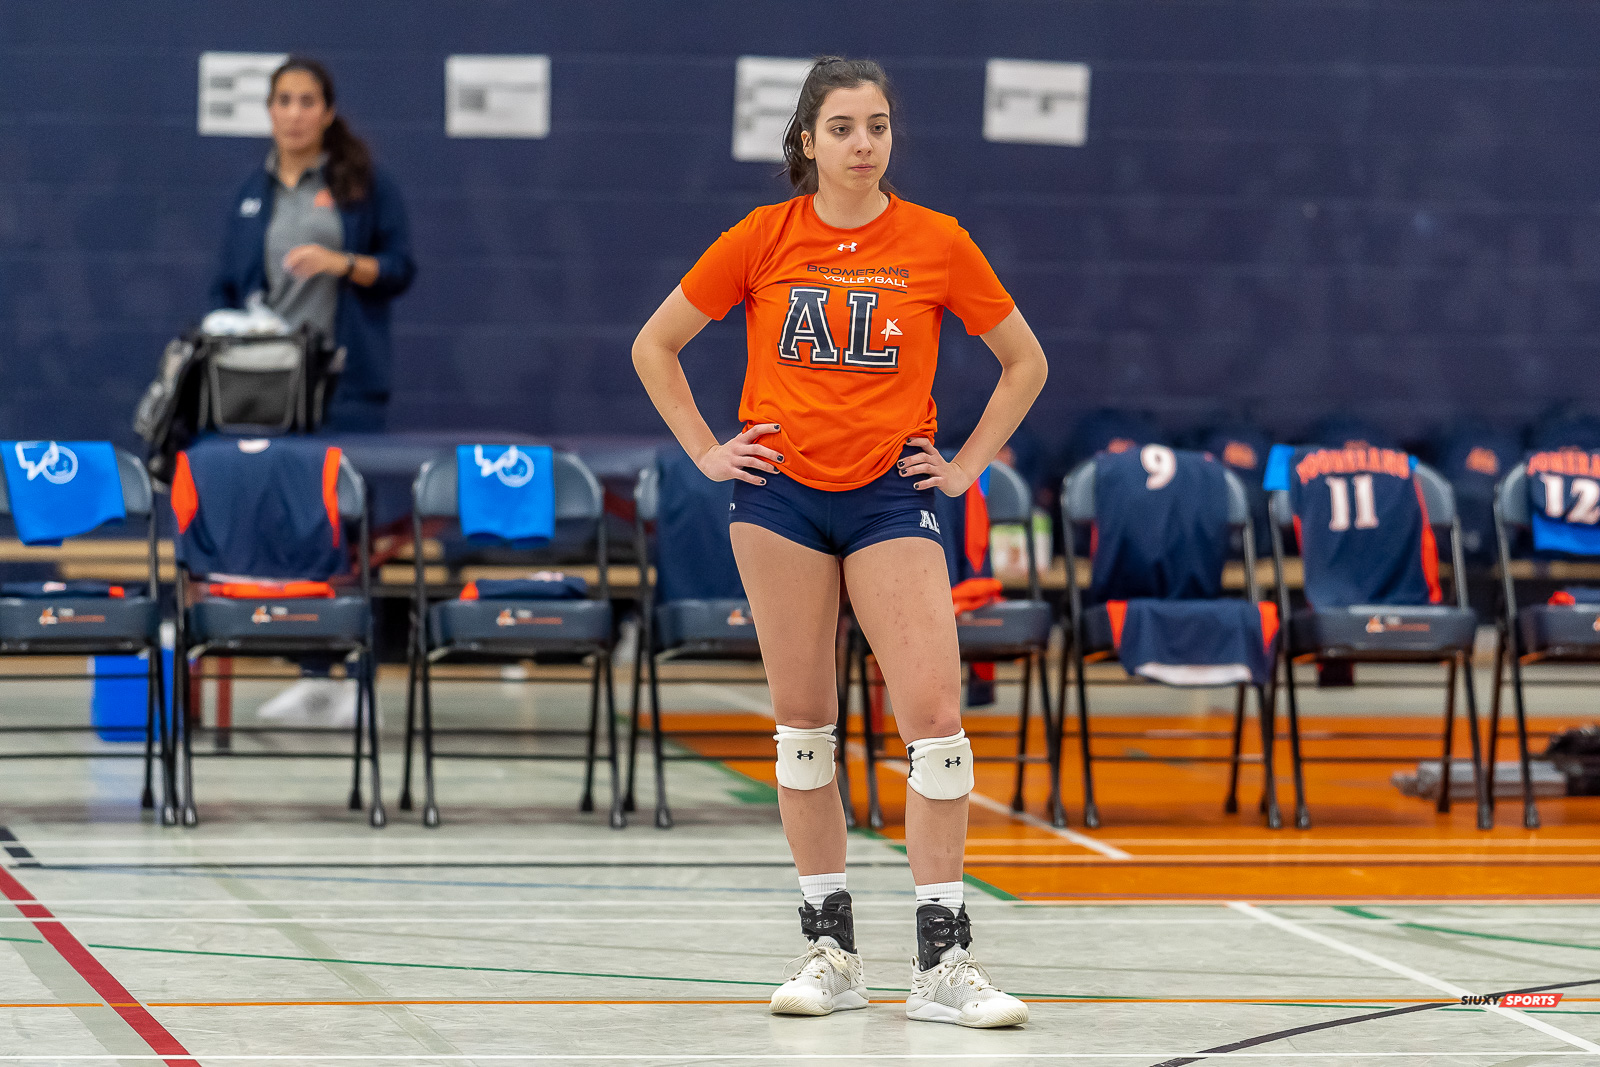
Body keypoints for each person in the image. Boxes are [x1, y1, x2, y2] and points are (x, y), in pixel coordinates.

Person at [632, 57, 1048, 1028]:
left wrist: (964, 464)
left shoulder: (936, 242)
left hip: (886, 499)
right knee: (803, 723)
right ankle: (830, 949)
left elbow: (1024, 361)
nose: (865, 143)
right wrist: (703, 448)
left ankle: (943, 963)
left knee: (937, 722)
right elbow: (655, 342)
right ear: (808, 141)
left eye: (879, 125)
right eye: (845, 127)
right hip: (777, 498)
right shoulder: (762, 237)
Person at [210, 56, 416, 725]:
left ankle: (356, 675)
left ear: (326, 112)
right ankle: (310, 669)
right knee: (290, 528)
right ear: (269, 110)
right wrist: (242, 317)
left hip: (348, 387)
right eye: (283, 100)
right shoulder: (252, 192)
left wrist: (341, 263)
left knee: (349, 526)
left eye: (307, 101)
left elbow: (400, 267)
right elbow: (225, 287)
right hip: (272, 394)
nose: (294, 112)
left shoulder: (363, 186)